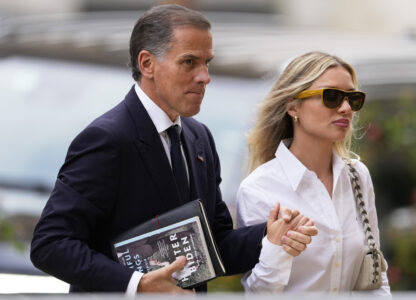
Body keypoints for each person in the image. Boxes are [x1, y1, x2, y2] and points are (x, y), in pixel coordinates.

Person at [30, 4, 317, 295]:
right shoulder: (108, 139)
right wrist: (137, 286)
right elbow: (50, 244)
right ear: (147, 64)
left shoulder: (198, 137)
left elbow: (213, 246)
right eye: (189, 62)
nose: (205, 76)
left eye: (207, 63)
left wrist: (268, 237)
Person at [236, 51, 391, 294]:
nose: (346, 108)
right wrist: (278, 249)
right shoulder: (259, 188)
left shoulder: (357, 176)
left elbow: (375, 277)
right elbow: (259, 294)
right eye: (331, 96)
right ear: (293, 107)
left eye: (353, 98)